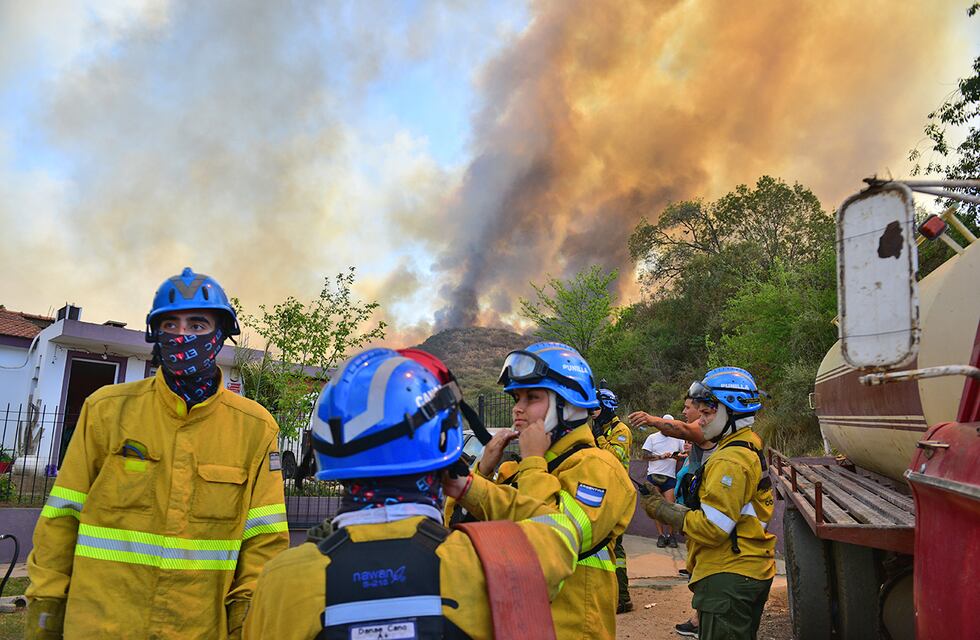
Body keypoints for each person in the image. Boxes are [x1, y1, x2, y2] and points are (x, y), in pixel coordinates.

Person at [243, 348, 585, 639]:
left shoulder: (280, 581)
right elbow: (561, 531)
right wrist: (479, 482)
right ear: (445, 449)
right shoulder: (492, 562)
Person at [26, 267, 289, 640]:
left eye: (197, 325)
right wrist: (46, 611)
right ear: (155, 335)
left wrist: (245, 624)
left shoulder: (255, 428)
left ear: (219, 336)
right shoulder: (106, 411)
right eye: (170, 325)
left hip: (197, 629)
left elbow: (264, 543)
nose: (182, 336)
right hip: (101, 627)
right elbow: (61, 520)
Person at [456, 342, 636, 639]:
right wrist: (482, 473)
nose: (517, 408)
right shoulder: (521, 471)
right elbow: (464, 531)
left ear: (572, 404)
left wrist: (534, 462)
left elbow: (547, 545)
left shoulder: (600, 468)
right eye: (516, 397)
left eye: (532, 397)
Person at [641, 367, 777, 640]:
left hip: (729, 572)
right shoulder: (748, 442)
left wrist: (664, 510)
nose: (700, 421)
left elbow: (714, 528)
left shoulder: (729, 461)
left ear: (732, 410)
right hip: (749, 567)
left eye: (706, 413)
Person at [591, 387, 634, 614]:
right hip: (601, 492)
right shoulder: (599, 428)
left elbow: (613, 457)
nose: (593, 412)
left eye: (597, 408)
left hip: (617, 495)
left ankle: (623, 597)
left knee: (616, 548)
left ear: (607, 407)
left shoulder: (621, 430)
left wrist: (598, 436)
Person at [639, 415, 685, 548]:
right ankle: (660, 535)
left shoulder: (677, 438)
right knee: (656, 508)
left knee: (671, 507)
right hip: (654, 475)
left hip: (669, 476)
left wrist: (675, 456)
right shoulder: (652, 438)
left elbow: (685, 453)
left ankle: (671, 536)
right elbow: (644, 456)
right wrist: (660, 456)